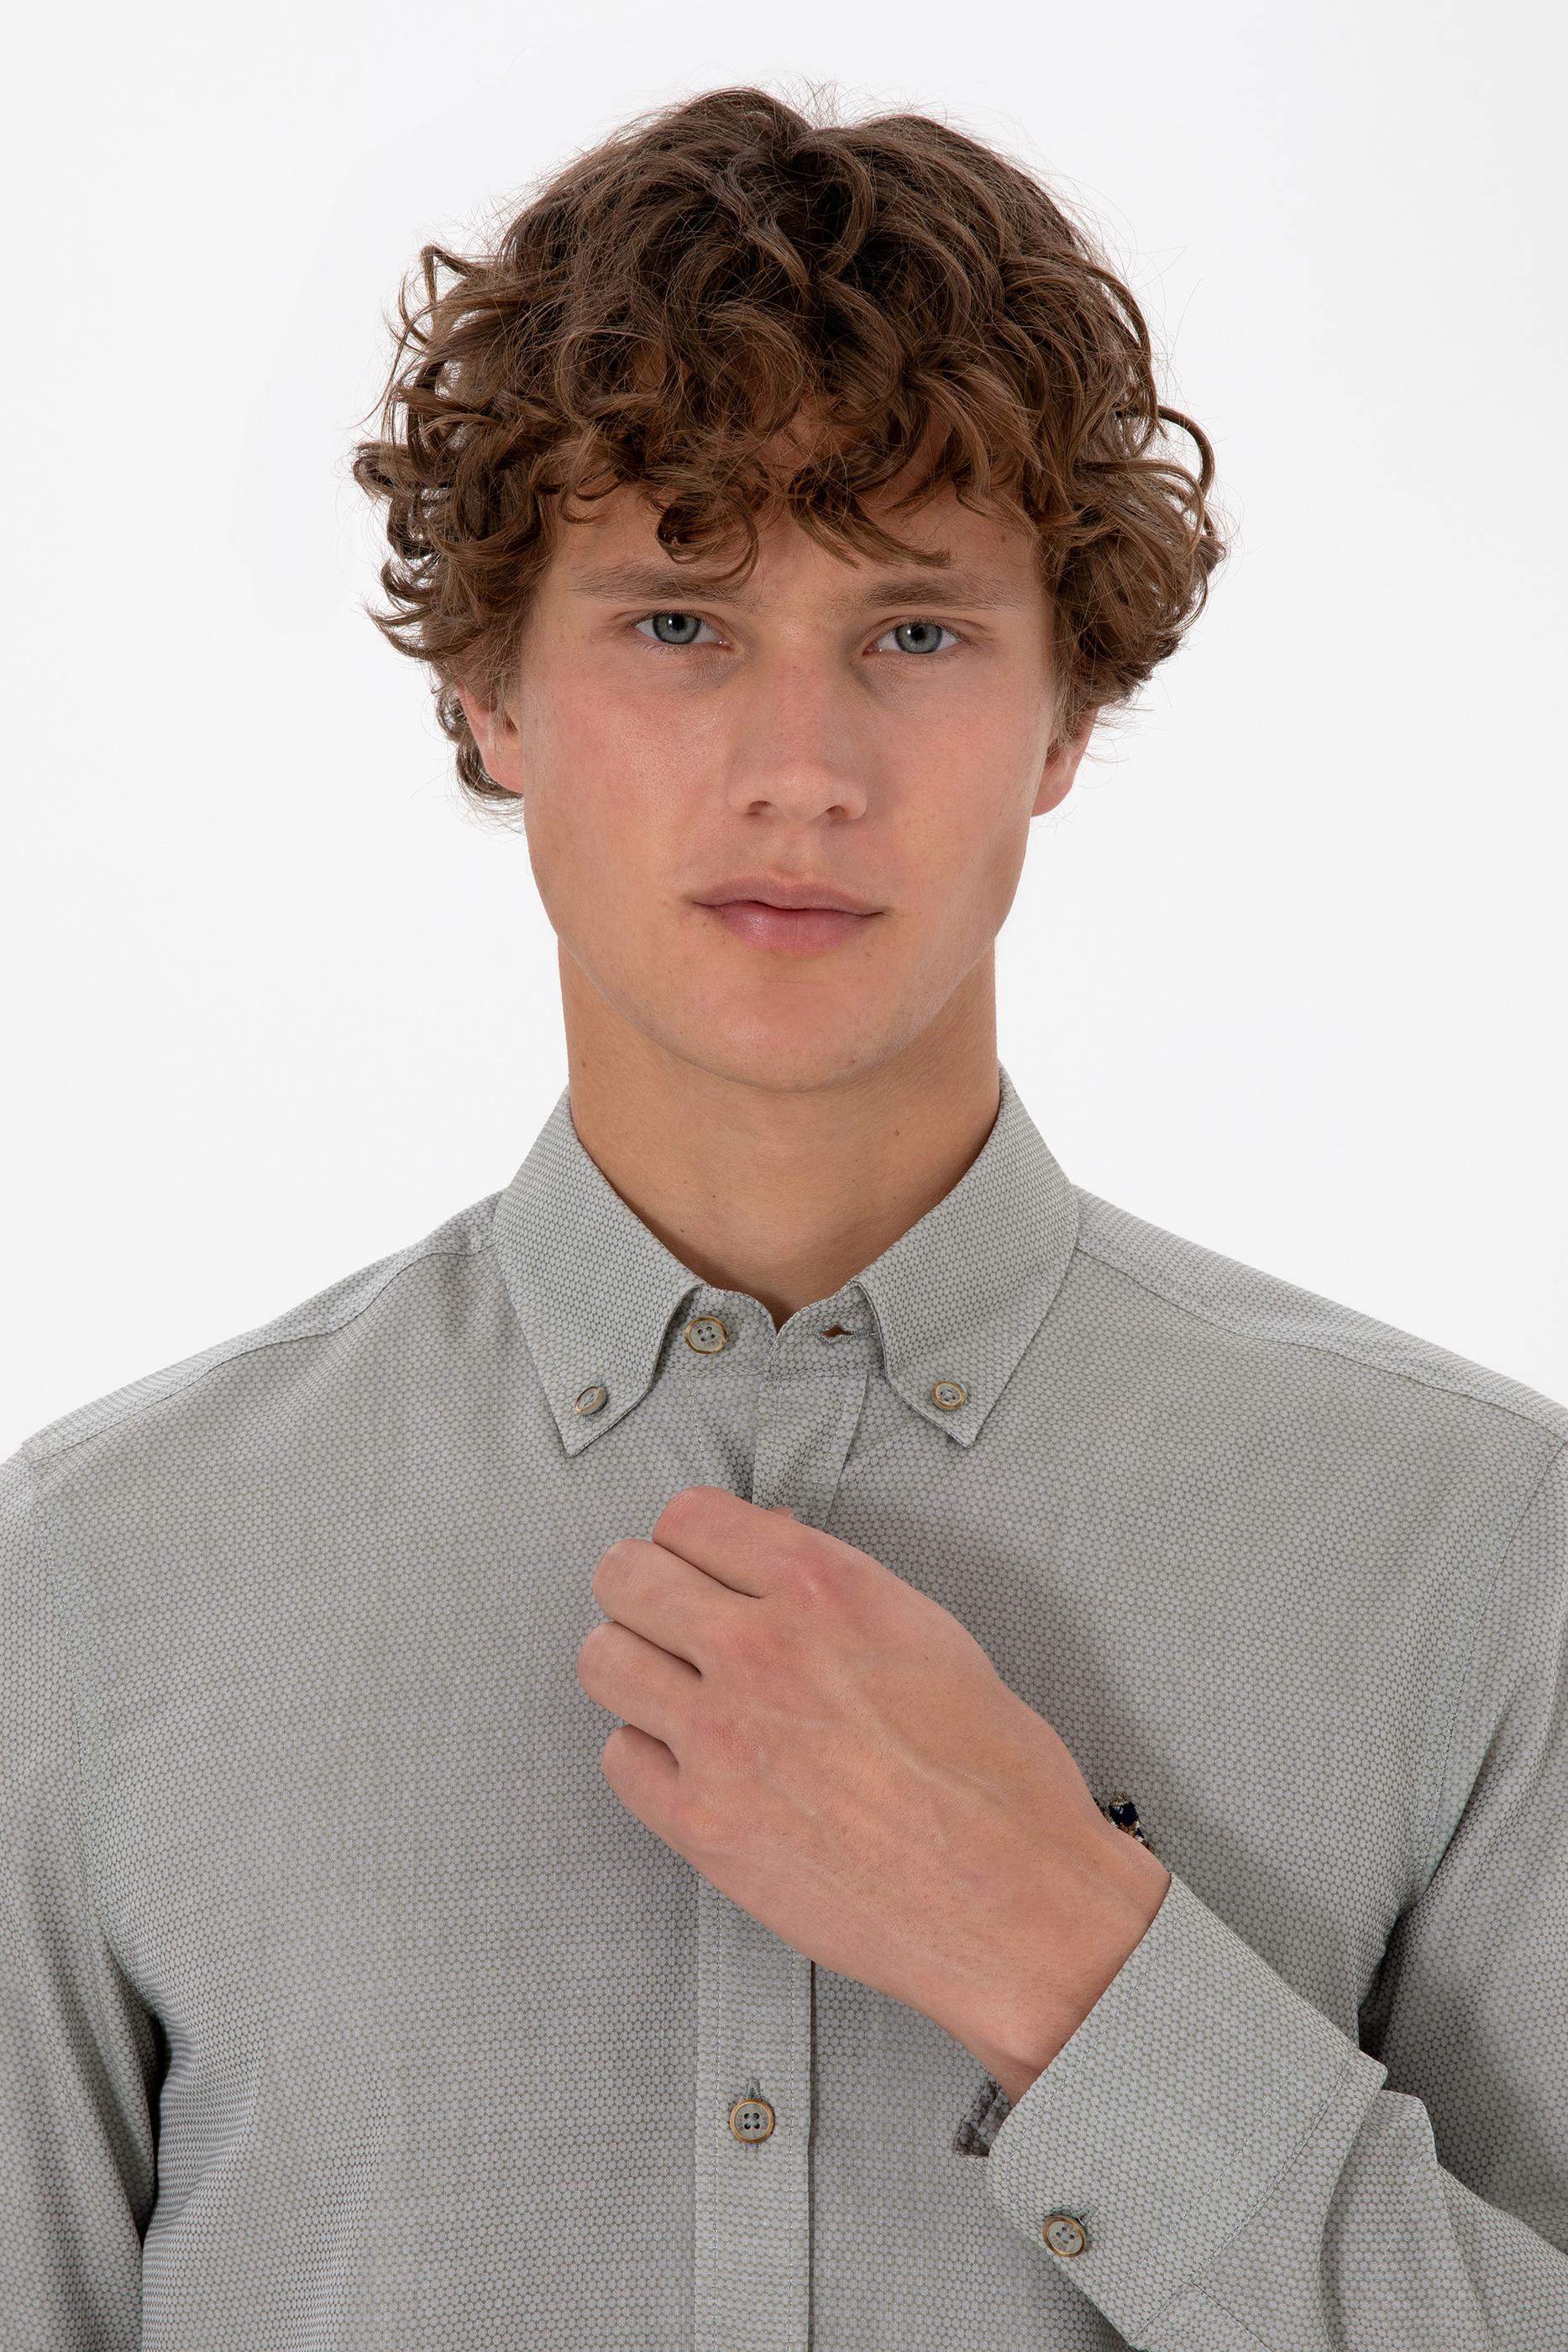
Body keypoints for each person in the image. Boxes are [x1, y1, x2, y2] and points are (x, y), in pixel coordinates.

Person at [3, 82, 1564, 2352]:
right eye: (676, 620)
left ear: (1065, 715)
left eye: (914, 634)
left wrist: (1062, 1958)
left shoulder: (1477, 1556)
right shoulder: (92, 1590)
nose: (800, 772)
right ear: (490, 693)